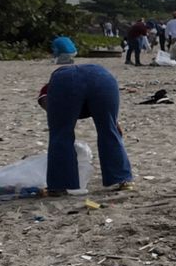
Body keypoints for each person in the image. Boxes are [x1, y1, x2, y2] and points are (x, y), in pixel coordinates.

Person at [40, 37, 133, 194]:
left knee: (61, 134)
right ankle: (121, 179)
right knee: (109, 130)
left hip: (66, 83)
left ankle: (62, 185)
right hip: (103, 78)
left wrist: (62, 120)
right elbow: (113, 125)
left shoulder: (48, 91)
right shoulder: (95, 76)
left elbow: (58, 124)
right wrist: (114, 124)